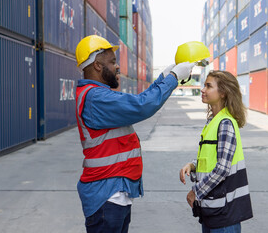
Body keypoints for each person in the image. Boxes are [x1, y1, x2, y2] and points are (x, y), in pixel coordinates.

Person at [75, 35, 195, 233]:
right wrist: (173, 78)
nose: (117, 67)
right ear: (97, 65)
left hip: (113, 192)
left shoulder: (98, 94)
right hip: (106, 194)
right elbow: (142, 106)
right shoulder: (96, 98)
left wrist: (163, 77)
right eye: (112, 62)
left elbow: (139, 101)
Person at [179, 70, 253, 233]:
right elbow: (211, 158)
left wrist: (195, 192)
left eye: (208, 86)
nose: (203, 89)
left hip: (224, 213)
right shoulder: (213, 121)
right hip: (213, 209)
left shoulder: (225, 123)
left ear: (223, 93)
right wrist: (192, 166)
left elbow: (222, 169)